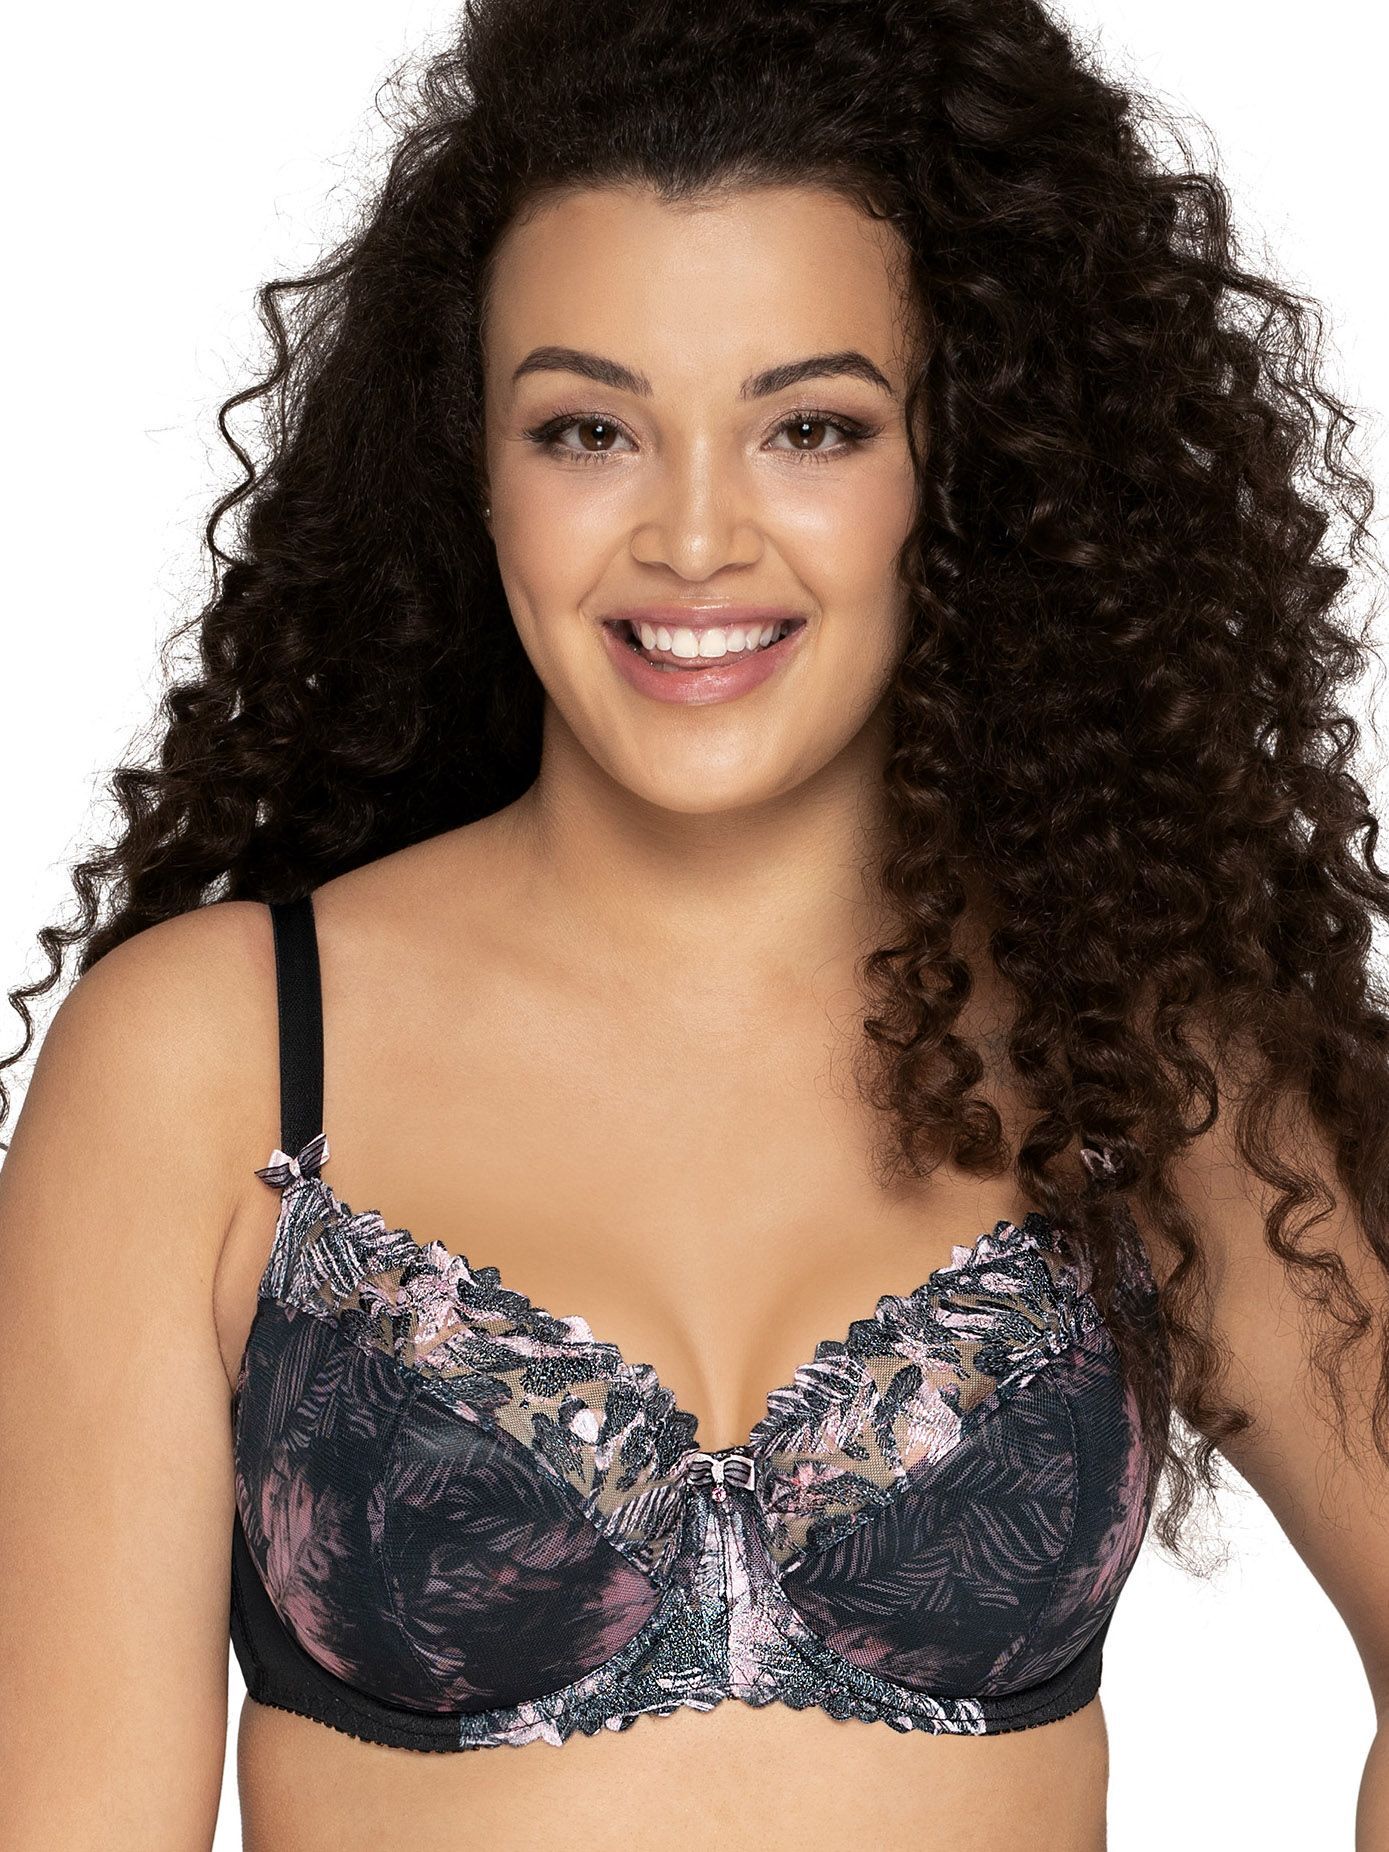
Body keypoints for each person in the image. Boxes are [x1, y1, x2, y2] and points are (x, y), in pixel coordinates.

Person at [1, 0, 1387, 1847]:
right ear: (470, 468)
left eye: (810, 427)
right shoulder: (211, 1057)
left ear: (960, 468)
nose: (695, 539)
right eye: (590, 430)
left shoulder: (1134, 1059)